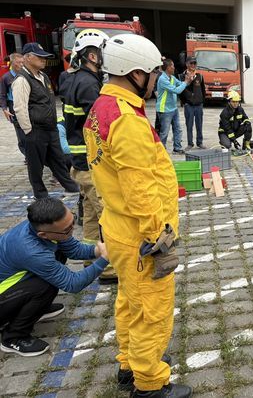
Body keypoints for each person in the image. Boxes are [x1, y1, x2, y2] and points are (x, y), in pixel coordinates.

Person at [83, 34, 191, 397]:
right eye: (153, 74)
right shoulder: (126, 120)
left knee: (130, 300)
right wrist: (157, 237)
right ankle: (149, 383)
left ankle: (130, 363)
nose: (156, 81)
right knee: (153, 310)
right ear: (135, 73)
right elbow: (139, 187)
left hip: (118, 226)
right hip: (140, 233)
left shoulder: (103, 109)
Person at [0, 197, 109, 357]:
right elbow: (73, 284)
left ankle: (36, 308)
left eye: (73, 221)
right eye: (67, 230)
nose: (72, 230)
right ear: (43, 234)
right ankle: (13, 337)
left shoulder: (47, 228)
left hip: (12, 285)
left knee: (57, 257)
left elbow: (73, 249)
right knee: (43, 285)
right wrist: (104, 260)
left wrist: (97, 251)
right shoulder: (31, 250)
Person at [59, 29, 117, 283]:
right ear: (92, 56)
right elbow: (100, 124)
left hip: (80, 163)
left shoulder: (72, 79)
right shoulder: (89, 84)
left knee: (92, 217)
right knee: (109, 215)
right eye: (103, 52)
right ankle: (108, 267)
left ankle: (91, 259)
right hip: (92, 165)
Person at [12, 42, 79, 200]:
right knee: (36, 165)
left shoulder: (44, 77)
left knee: (58, 159)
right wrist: (28, 131)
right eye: (40, 57)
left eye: (45, 57)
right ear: (28, 58)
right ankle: (40, 195)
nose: (44, 60)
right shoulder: (22, 80)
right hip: (35, 130)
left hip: (50, 128)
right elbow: (20, 107)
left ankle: (71, 187)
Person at [156, 58, 192, 154]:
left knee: (178, 129)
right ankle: (161, 150)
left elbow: (180, 84)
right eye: (172, 66)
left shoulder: (172, 78)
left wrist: (188, 80)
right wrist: (185, 82)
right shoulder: (162, 79)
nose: (174, 67)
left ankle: (177, 148)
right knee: (164, 132)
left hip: (173, 108)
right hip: (164, 109)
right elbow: (177, 90)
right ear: (167, 67)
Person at [0, 53, 26, 159]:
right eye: (18, 62)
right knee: (20, 133)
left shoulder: (25, 75)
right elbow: (2, 95)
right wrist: (4, 109)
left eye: (22, 62)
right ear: (12, 63)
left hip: (26, 105)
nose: (21, 65)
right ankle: (27, 155)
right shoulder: (6, 77)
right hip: (13, 106)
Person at [178, 56, 206, 150]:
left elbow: (203, 90)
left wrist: (202, 101)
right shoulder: (182, 76)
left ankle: (200, 142)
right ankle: (190, 143)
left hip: (199, 105)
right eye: (191, 63)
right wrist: (184, 102)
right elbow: (180, 91)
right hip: (188, 105)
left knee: (199, 125)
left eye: (195, 63)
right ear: (187, 64)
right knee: (189, 125)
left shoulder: (199, 76)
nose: (193, 65)